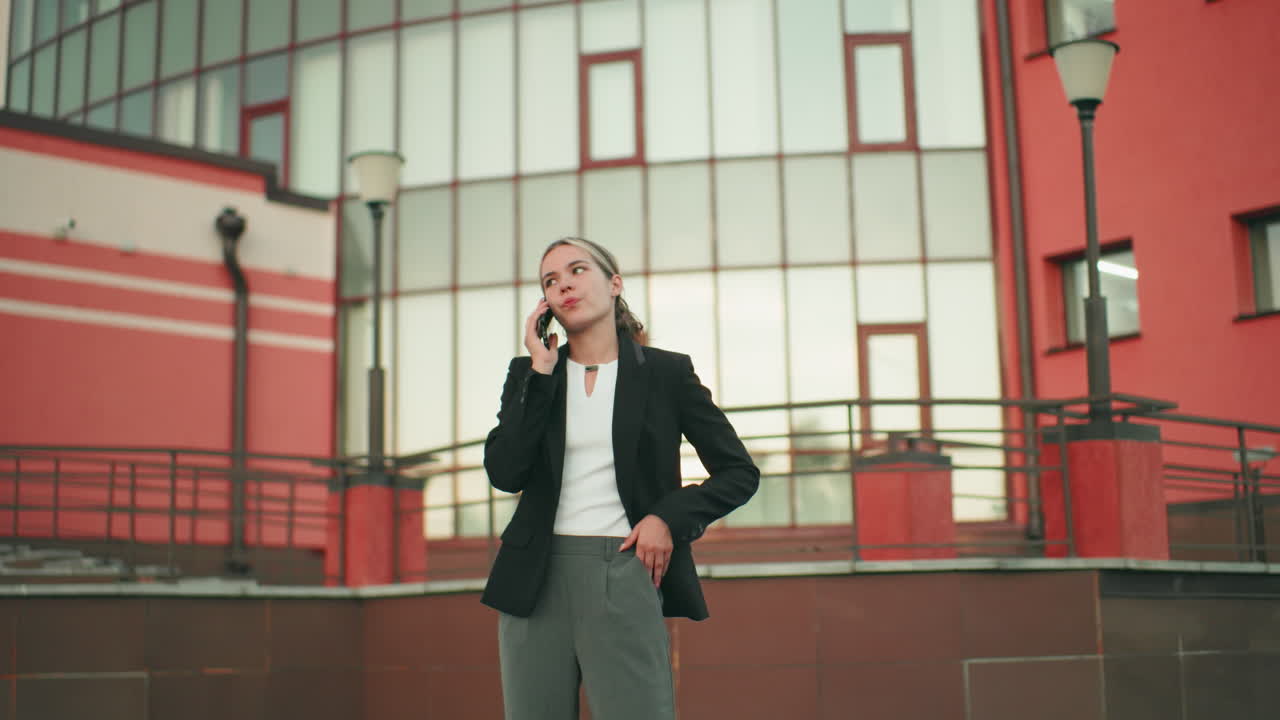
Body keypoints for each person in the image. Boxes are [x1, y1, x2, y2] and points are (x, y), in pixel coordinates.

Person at [482, 237, 760, 720]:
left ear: (614, 284)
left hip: (624, 567)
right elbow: (505, 473)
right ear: (544, 304)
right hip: (533, 579)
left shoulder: (666, 374)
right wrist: (541, 374)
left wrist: (666, 519)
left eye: (576, 270)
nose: (564, 284)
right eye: (551, 281)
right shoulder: (531, 374)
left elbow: (739, 472)